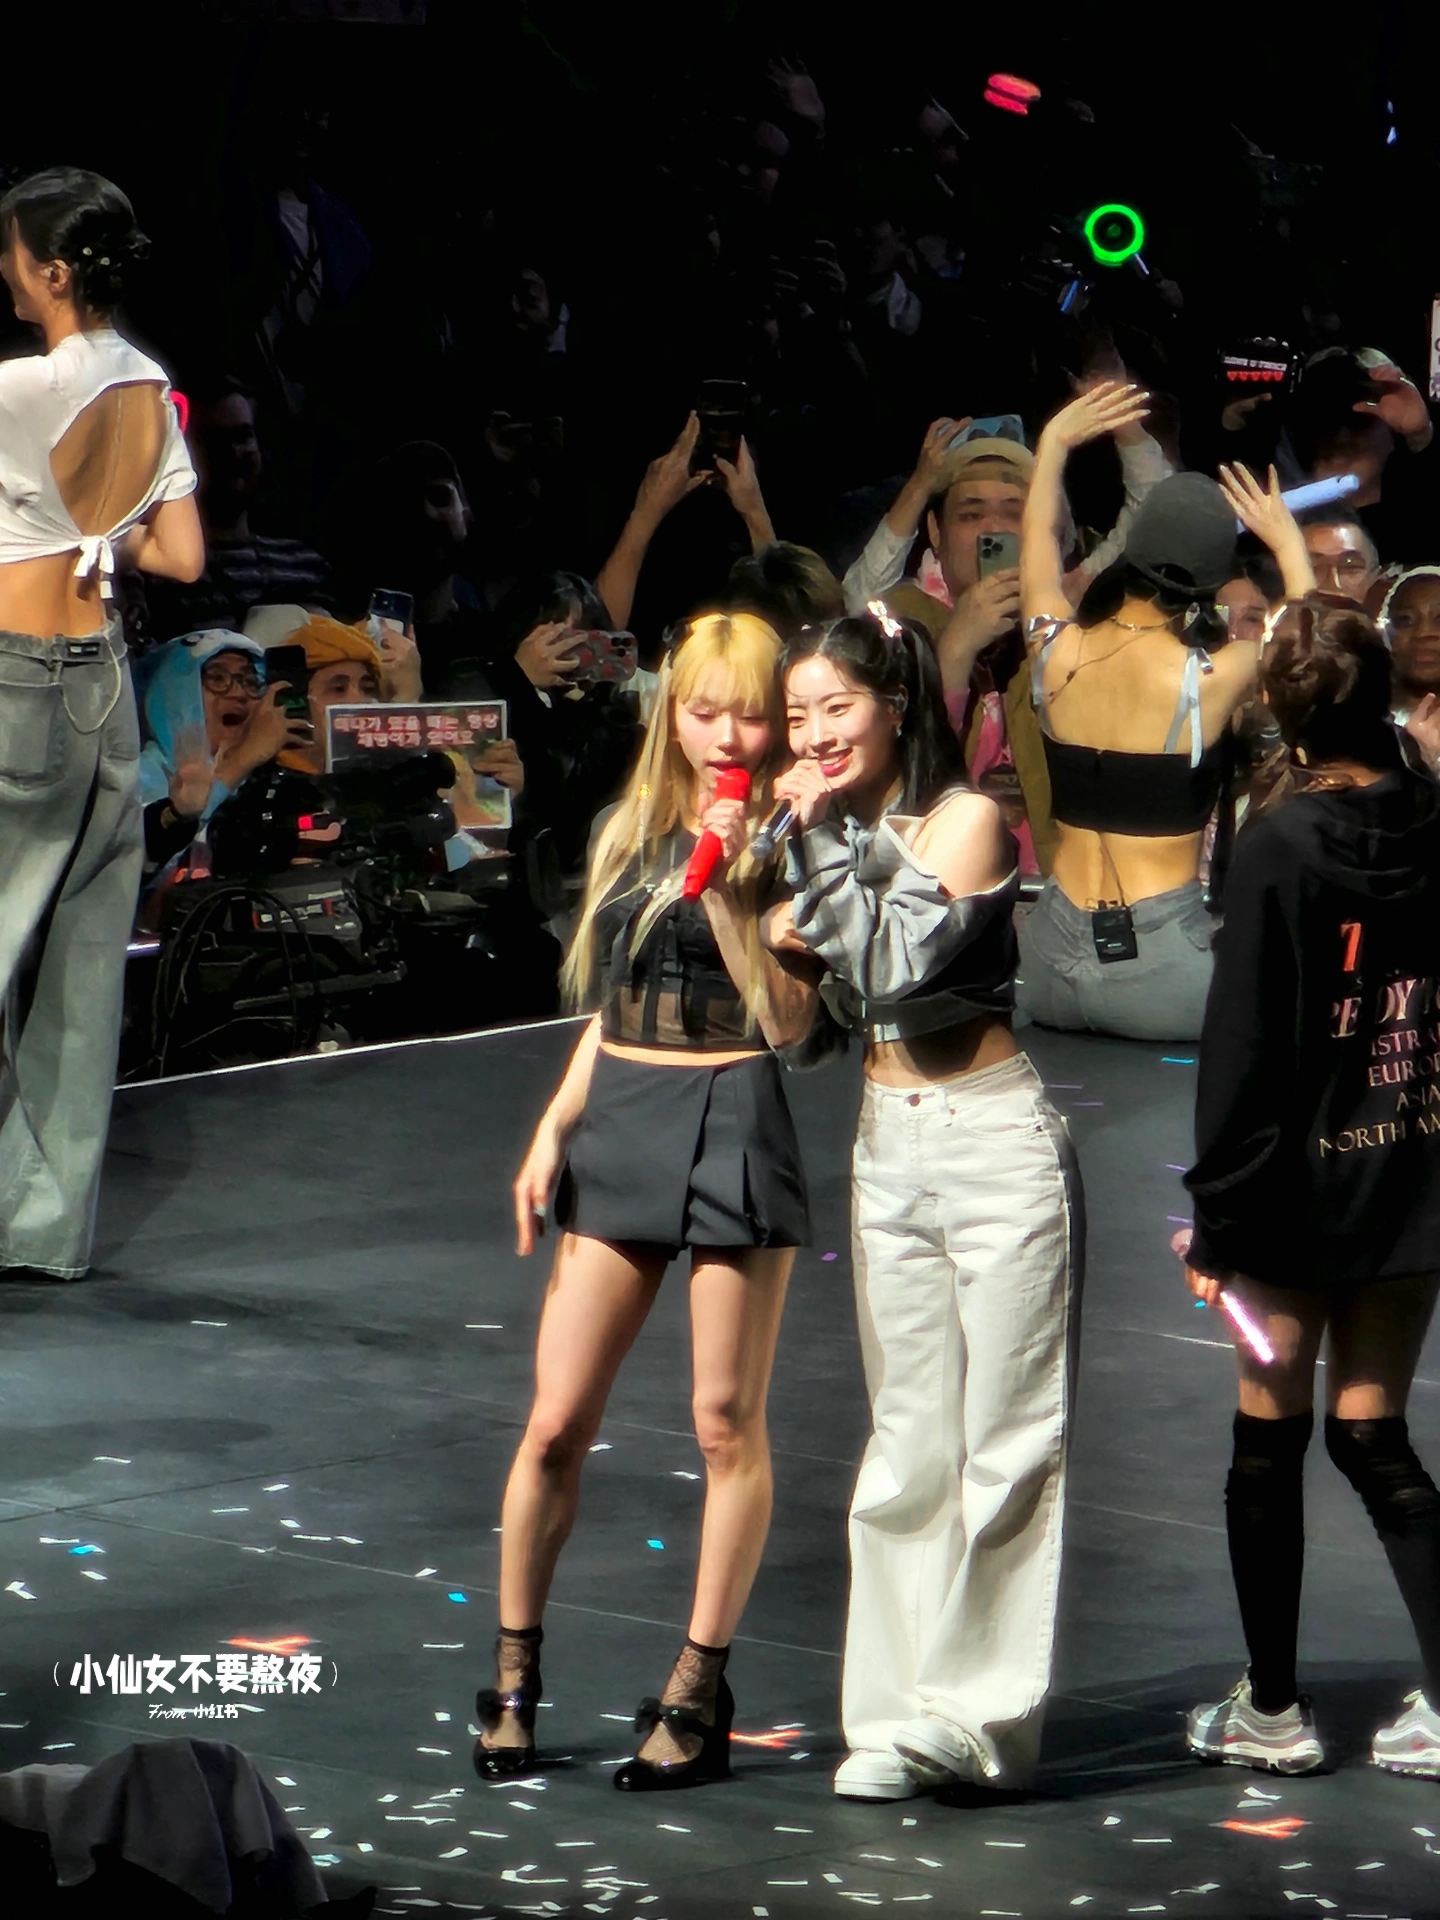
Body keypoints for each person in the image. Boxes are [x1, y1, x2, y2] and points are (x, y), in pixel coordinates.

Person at [480, 612, 816, 1793]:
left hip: (732, 1114)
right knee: (554, 1424)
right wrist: (555, 1121)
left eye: (751, 713)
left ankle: (695, 1691)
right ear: (674, 714)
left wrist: (731, 883)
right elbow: (616, 1004)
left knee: (724, 1421)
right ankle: (512, 1678)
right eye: (705, 710)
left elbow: (788, 1024)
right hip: (622, 1112)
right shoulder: (631, 829)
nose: (726, 735)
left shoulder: (798, 838)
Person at [765, 606, 1083, 1802]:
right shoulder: (830, 834)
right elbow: (804, 1034)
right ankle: (894, 1717)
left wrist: (814, 860)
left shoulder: (963, 819)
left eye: (835, 708)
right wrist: (762, 919)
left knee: (1007, 1437)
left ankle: (980, 1716)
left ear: (895, 705)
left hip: (993, 1140)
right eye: (796, 715)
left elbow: (897, 963)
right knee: (907, 1444)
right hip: (885, 1142)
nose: (814, 734)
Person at [1180, 594, 1440, 1779]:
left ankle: (1273, 1712)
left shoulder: (1278, 845)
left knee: (1269, 1434)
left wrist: (1218, 1224)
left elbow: (1244, 1053)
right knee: (1373, 1432)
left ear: (1284, 718)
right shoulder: (1433, 819)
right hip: (1408, 1172)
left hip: (1291, 1192)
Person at [0, 167, 203, 1279]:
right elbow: (182, 555)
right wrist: (98, 534)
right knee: (82, 968)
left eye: (11, 253)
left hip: (17, 682)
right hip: (105, 683)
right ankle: (42, 1237)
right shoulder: (151, 386)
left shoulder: (19, 389)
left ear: (52, 272)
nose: (3, 271)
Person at [1016, 382, 1313, 1042]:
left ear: (1132, 554)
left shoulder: (1053, 651)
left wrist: (1054, 444)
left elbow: (1037, 541)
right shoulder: (1215, 677)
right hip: (1164, 978)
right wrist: (1287, 544)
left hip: (1046, 967)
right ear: (1212, 582)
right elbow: (1310, 633)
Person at [141, 374, 334, 640]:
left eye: (242, 436)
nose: (233, 453)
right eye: (213, 441)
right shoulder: (158, 575)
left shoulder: (307, 564)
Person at [134, 628, 311, 881]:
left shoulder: (268, 783)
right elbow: (130, 872)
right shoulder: (131, 781)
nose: (239, 694)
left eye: (250, 681)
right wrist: (242, 760)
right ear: (173, 696)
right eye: (217, 678)